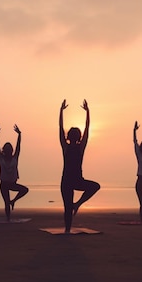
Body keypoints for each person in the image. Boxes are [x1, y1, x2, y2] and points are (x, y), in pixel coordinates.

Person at [59, 99, 100, 233]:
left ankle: (77, 205)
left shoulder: (79, 147)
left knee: (95, 187)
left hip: (76, 180)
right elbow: (61, 129)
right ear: (70, 136)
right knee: (67, 207)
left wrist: (88, 112)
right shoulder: (66, 147)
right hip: (67, 181)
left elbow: (87, 129)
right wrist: (61, 112)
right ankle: (67, 229)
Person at [0, 124, 28, 221]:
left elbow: (18, 147)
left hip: (13, 183)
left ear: (11, 150)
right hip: (4, 184)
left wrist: (19, 135)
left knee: (24, 190)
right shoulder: (1, 159)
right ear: (4, 150)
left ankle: (13, 201)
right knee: (6, 202)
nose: (8, 150)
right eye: (7, 149)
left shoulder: (15, 158)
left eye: (10, 149)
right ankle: (8, 218)